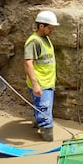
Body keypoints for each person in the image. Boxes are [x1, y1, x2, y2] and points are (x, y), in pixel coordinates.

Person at [24, 10, 59, 141]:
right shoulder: (34, 41)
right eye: (50, 28)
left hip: (47, 82)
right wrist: (35, 85)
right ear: (41, 26)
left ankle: (36, 122)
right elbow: (28, 63)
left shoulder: (46, 39)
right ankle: (47, 135)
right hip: (41, 84)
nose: (52, 30)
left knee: (40, 106)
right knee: (45, 112)